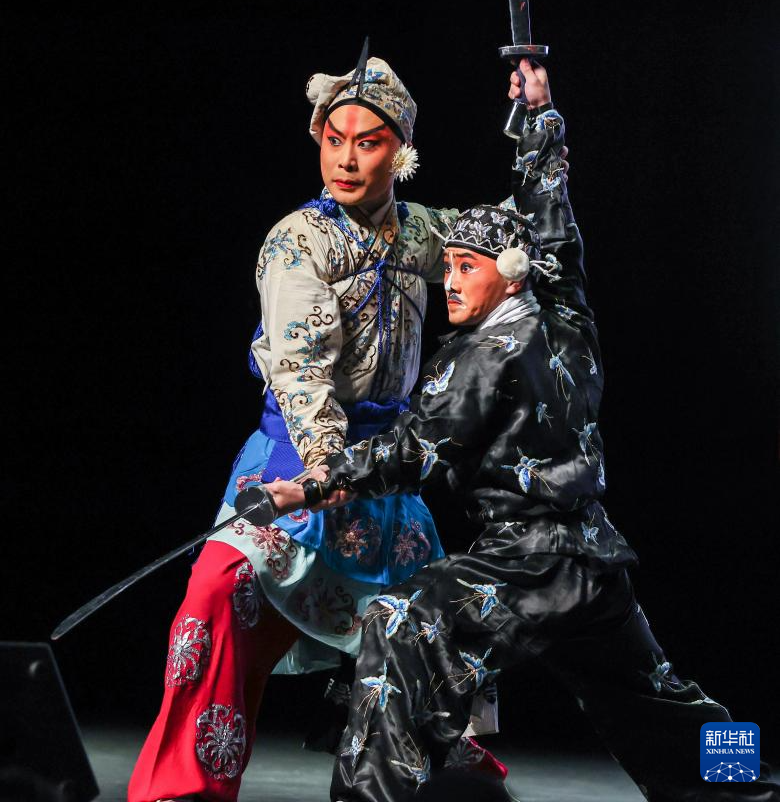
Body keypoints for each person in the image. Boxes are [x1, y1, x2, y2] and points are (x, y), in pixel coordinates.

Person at [264, 63, 780, 802]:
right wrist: (540, 123)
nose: (449, 282)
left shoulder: (477, 357)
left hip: (526, 561)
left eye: (467, 267)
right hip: (594, 559)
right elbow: (556, 237)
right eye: (446, 265)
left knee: (399, 625)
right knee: (658, 698)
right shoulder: (569, 320)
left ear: (508, 274)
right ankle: (748, 791)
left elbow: (411, 450)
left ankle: (370, 798)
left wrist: (312, 485)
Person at [127, 52, 518, 802]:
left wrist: (536, 123)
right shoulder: (296, 242)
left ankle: (446, 790)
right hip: (294, 468)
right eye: (333, 140)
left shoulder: (423, 234)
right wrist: (322, 466)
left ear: (401, 152)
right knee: (216, 596)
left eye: (368, 143)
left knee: (436, 636)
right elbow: (299, 364)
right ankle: (185, 790)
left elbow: (517, 239)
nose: (345, 159)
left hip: (387, 484)